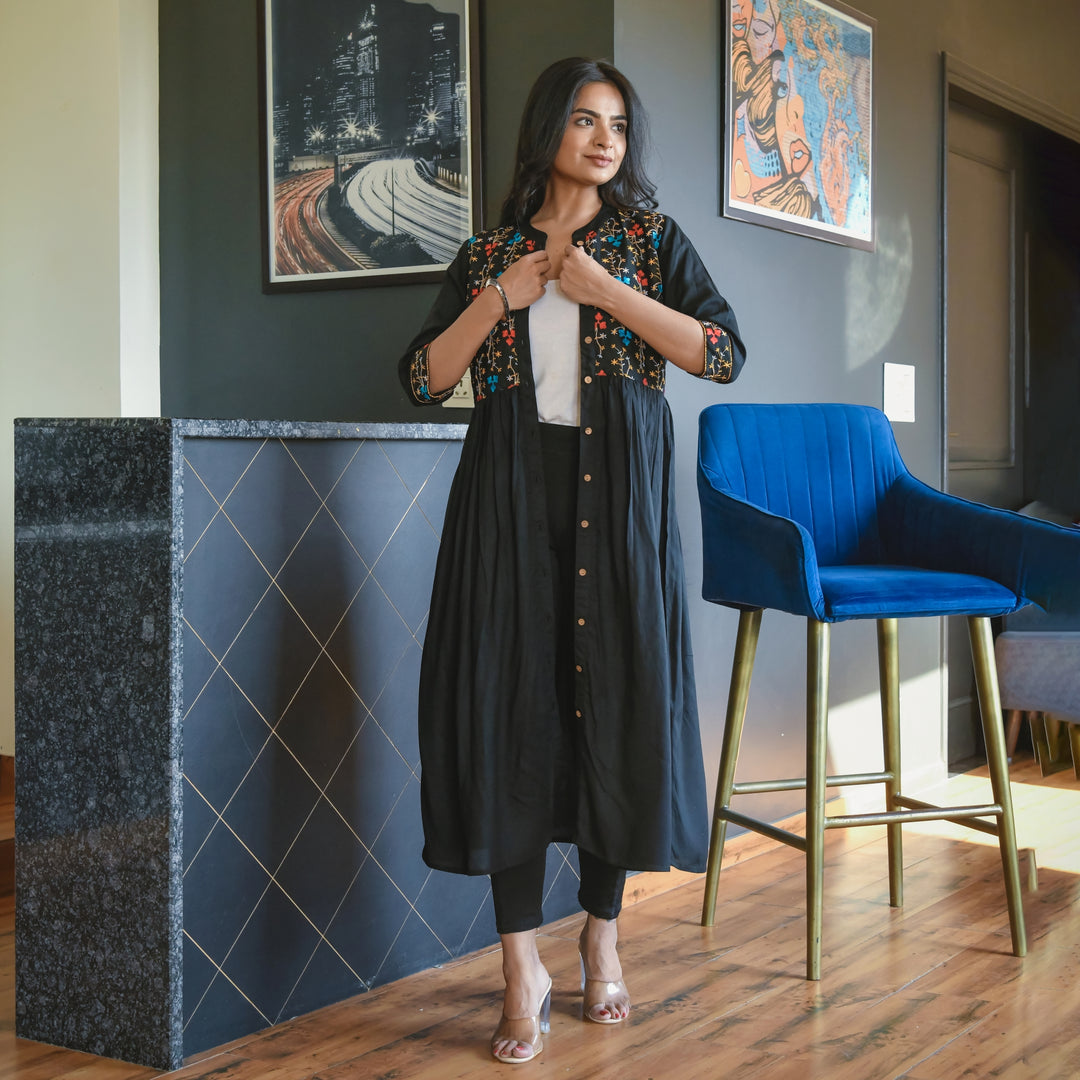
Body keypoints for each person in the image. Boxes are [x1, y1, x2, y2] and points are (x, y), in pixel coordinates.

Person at [398, 56, 746, 1065]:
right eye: (587, 120)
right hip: (506, 507)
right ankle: (521, 968)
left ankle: (600, 934)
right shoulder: (488, 253)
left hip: (618, 509)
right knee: (509, 719)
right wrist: (500, 297)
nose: (605, 139)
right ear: (549, 125)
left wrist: (602, 290)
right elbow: (424, 378)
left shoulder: (650, 241)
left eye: (620, 127)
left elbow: (718, 353)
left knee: (615, 712)